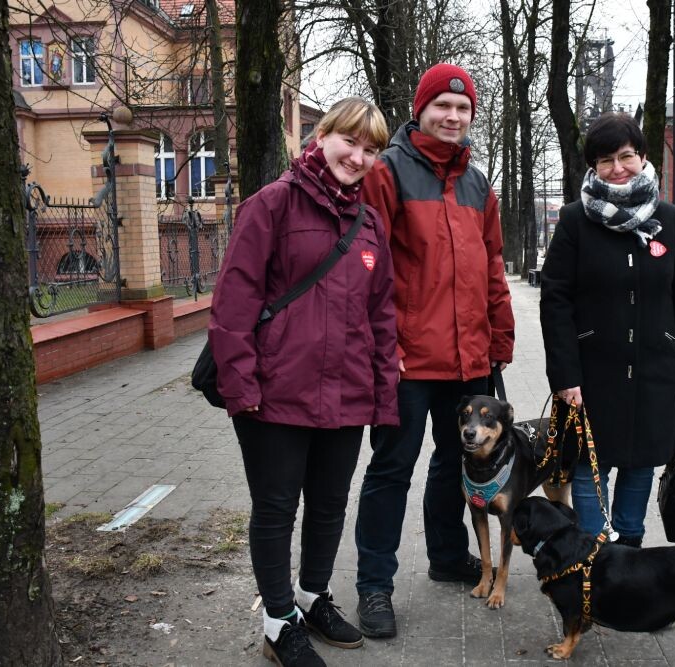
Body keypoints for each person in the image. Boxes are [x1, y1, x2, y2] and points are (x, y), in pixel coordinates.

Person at [208, 97, 398, 667]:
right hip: (274, 396)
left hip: (345, 396)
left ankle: (313, 597)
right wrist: (241, 390)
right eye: (351, 142)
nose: (359, 156)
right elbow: (233, 305)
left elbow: (383, 316)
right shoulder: (272, 205)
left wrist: (384, 396)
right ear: (322, 136)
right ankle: (277, 619)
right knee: (275, 509)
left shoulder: (369, 224)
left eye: (371, 150)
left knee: (329, 504)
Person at [353, 63, 515, 639]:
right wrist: (382, 342)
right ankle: (374, 585)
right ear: (420, 110)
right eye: (442, 107)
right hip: (406, 358)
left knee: (458, 464)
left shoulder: (477, 184)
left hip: (469, 357)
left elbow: (493, 267)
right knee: (393, 467)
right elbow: (365, 264)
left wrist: (500, 339)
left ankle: (447, 557)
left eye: (463, 108)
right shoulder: (389, 172)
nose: (452, 117)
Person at [539, 111, 675, 548]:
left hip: (657, 368)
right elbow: (555, 301)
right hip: (594, 370)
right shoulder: (575, 221)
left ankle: (629, 547)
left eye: (626, 156)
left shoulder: (670, 219)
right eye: (606, 159)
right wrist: (565, 376)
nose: (617, 168)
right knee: (591, 463)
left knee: (641, 462)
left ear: (643, 157)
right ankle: (595, 552)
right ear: (593, 166)